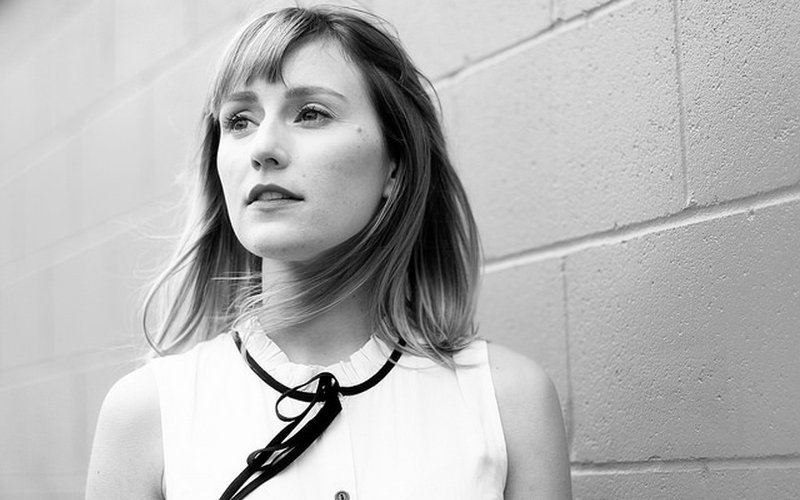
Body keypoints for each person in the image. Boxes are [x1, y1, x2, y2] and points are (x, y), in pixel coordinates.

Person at [86, 5, 571, 500]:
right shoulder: (148, 414)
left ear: (395, 166)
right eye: (239, 120)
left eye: (311, 113)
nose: (262, 148)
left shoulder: (508, 403)